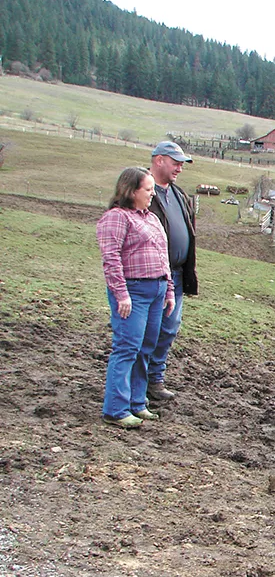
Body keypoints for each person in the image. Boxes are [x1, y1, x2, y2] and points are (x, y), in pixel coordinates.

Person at [97, 167, 176, 428]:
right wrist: (121, 294)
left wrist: (169, 290)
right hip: (133, 291)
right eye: (148, 190)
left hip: (156, 291)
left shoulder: (151, 219)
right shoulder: (117, 218)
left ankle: (137, 402)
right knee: (127, 347)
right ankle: (116, 409)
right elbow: (111, 259)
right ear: (131, 191)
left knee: (145, 348)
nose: (152, 195)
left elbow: (163, 257)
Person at [147, 141, 198, 401]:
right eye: (175, 162)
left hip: (176, 274)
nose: (179, 167)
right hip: (150, 275)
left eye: (181, 163)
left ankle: (154, 379)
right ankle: (139, 383)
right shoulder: (142, 192)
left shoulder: (179, 195)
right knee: (148, 329)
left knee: (169, 328)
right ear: (159, 160)